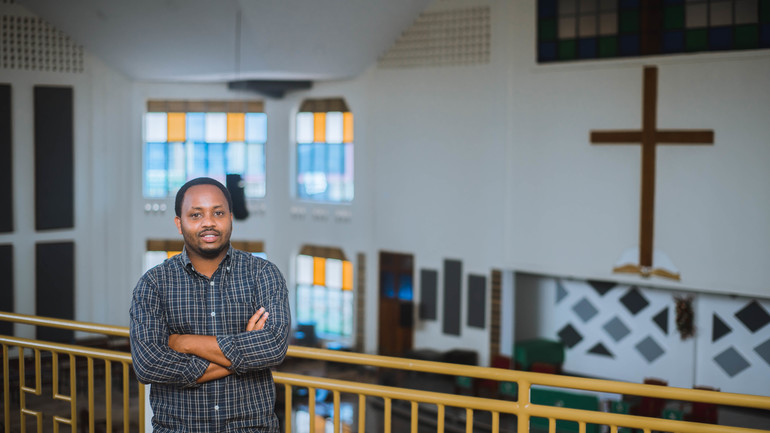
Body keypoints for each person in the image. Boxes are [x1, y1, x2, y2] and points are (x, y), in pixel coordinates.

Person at [129, 177, 290, 432]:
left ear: (230, 218)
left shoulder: (263, 274)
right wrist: (245, 353)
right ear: (179, 223)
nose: (209, 222)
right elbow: (148, 365)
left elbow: (274, 347)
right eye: (196, 215)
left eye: (218, 213)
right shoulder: (153, 284)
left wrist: (185, 342)